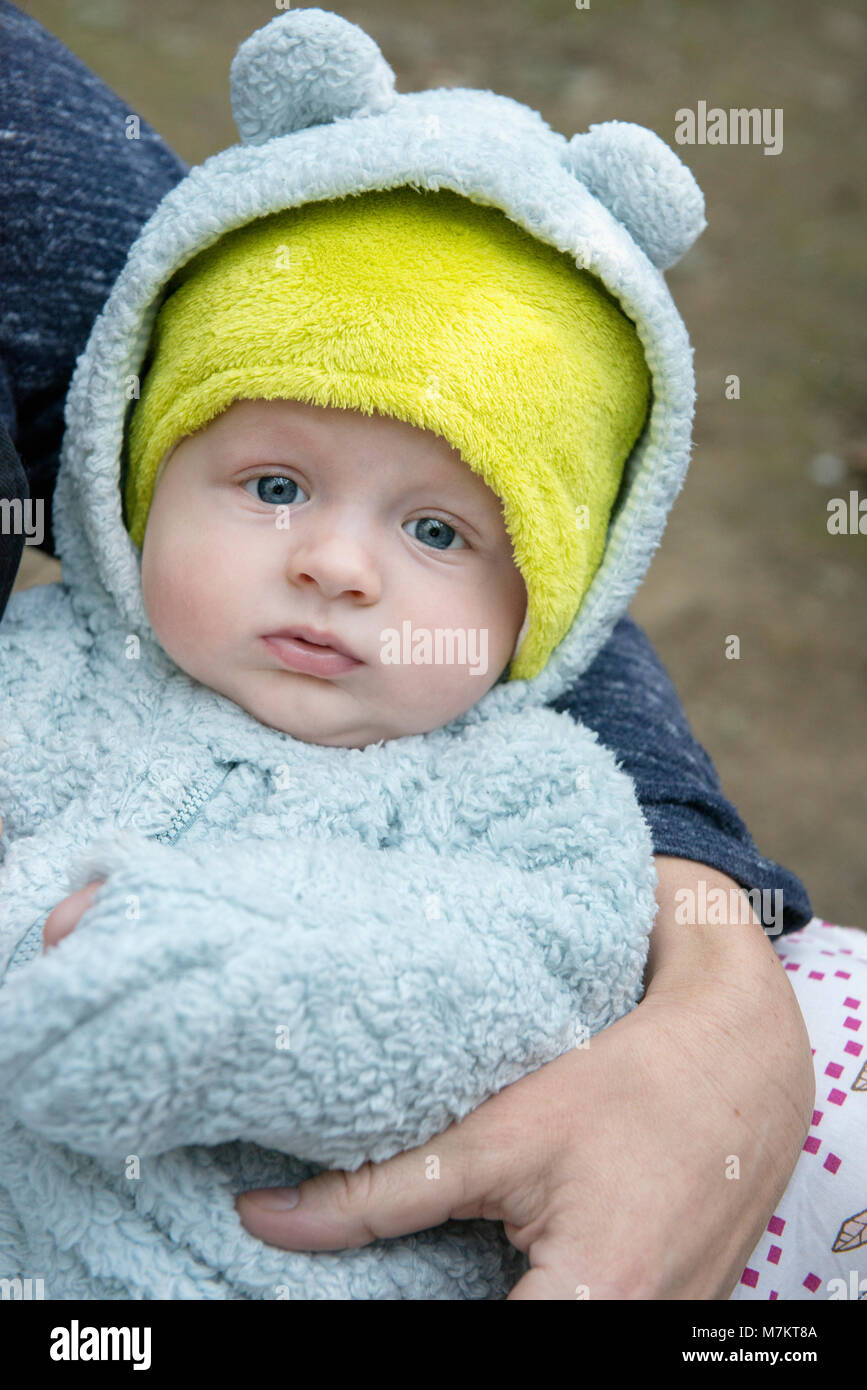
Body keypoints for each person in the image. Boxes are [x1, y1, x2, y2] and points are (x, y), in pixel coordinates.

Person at [0, 5, 852, 1301]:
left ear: (546, 604)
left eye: (441, 528)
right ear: (132, 478)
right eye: (275, 484)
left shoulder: (540, 797)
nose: (338, 565)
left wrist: (196, 997)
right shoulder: (43, 677)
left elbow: (480, 997)